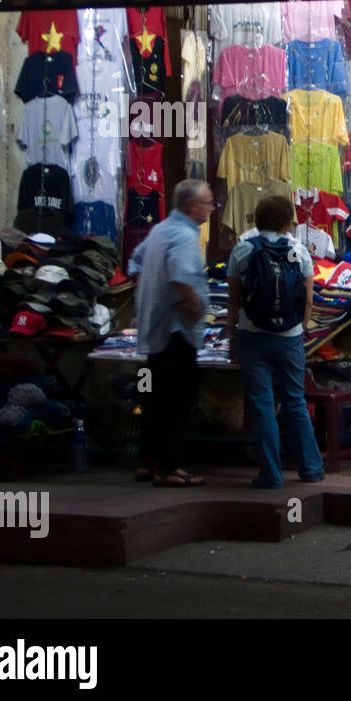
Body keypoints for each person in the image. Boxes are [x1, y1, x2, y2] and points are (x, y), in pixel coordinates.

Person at [225, 194, 325, 488]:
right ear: (286, 220)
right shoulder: (299, 251)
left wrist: (232, 339)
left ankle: (270, 474)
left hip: (252, 336)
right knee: (295, 401)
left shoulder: (242, 250)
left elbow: (233, 303)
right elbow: (308, 302)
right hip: (290, 339)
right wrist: (298, 329)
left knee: (262, 404)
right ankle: (312, 467)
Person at [129, 178, 213, 488]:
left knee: (154, 398)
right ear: (192, 205)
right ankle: (170, 468)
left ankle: (148, 462)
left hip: (155, 329)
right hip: (177, 332)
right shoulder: (183, 235)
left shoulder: (159, 230)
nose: (211, 208)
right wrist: (194, 308)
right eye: (208, 202)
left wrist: (149, 296)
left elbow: (135, 261)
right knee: (176, 401)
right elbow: (180, 279)